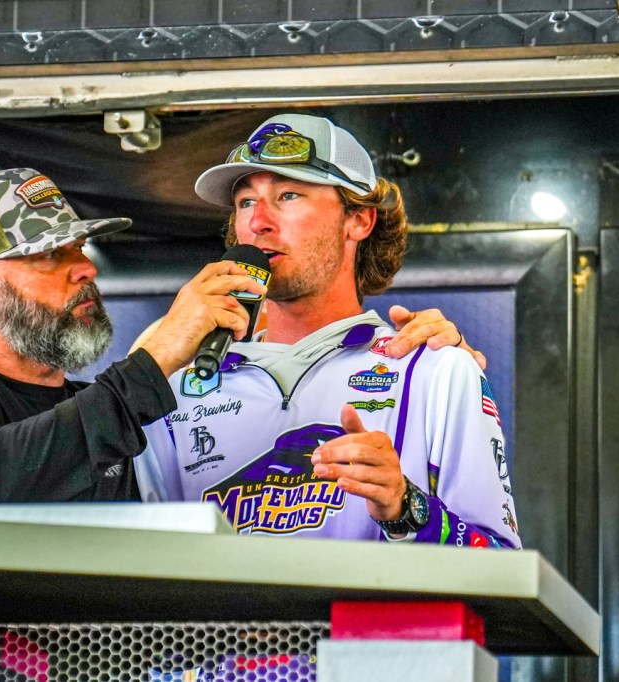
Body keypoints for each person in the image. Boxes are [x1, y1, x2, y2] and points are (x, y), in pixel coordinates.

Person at [0, 167, 466, 513]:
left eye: (80, 249)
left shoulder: (106, 419)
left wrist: (434, 362)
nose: (84, 268)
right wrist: (163, 351)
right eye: (51, 256)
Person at [136, 114, 520, 548]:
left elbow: (500, 563)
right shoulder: (176, 388)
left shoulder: (438, 369)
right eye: (245, 202)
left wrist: (407, 508)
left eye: (288, 195)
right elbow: (140, 565)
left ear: (359, 221)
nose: (258, 221)